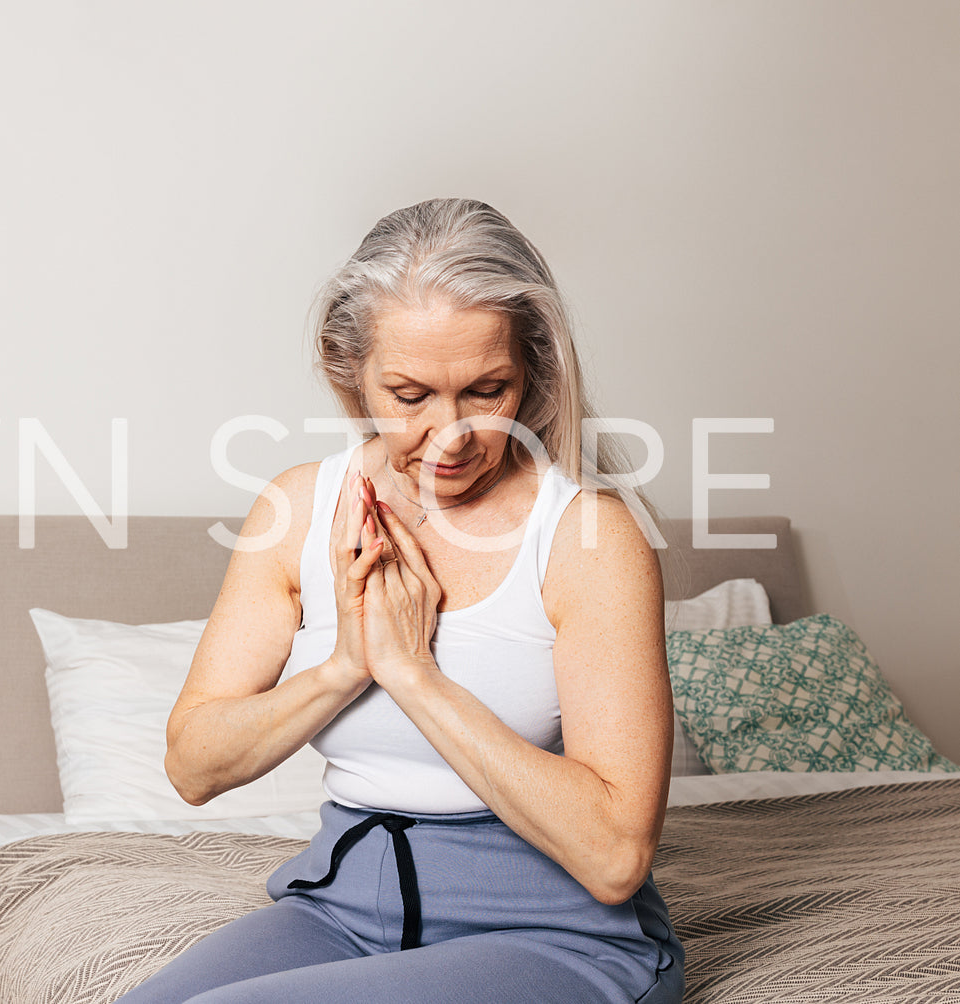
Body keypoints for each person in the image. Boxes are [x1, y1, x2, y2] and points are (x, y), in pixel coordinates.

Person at [116, 198, 684, 1004]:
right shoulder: (299, 513)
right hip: (343, 910)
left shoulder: (587, 537)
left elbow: (614, 854)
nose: (449, 436)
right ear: (346, 369)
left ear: (533, 375)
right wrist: (347, 664)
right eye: (410, 395)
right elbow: (193, 767)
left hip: (559, 938)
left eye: (486, 390)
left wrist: (414, 675)